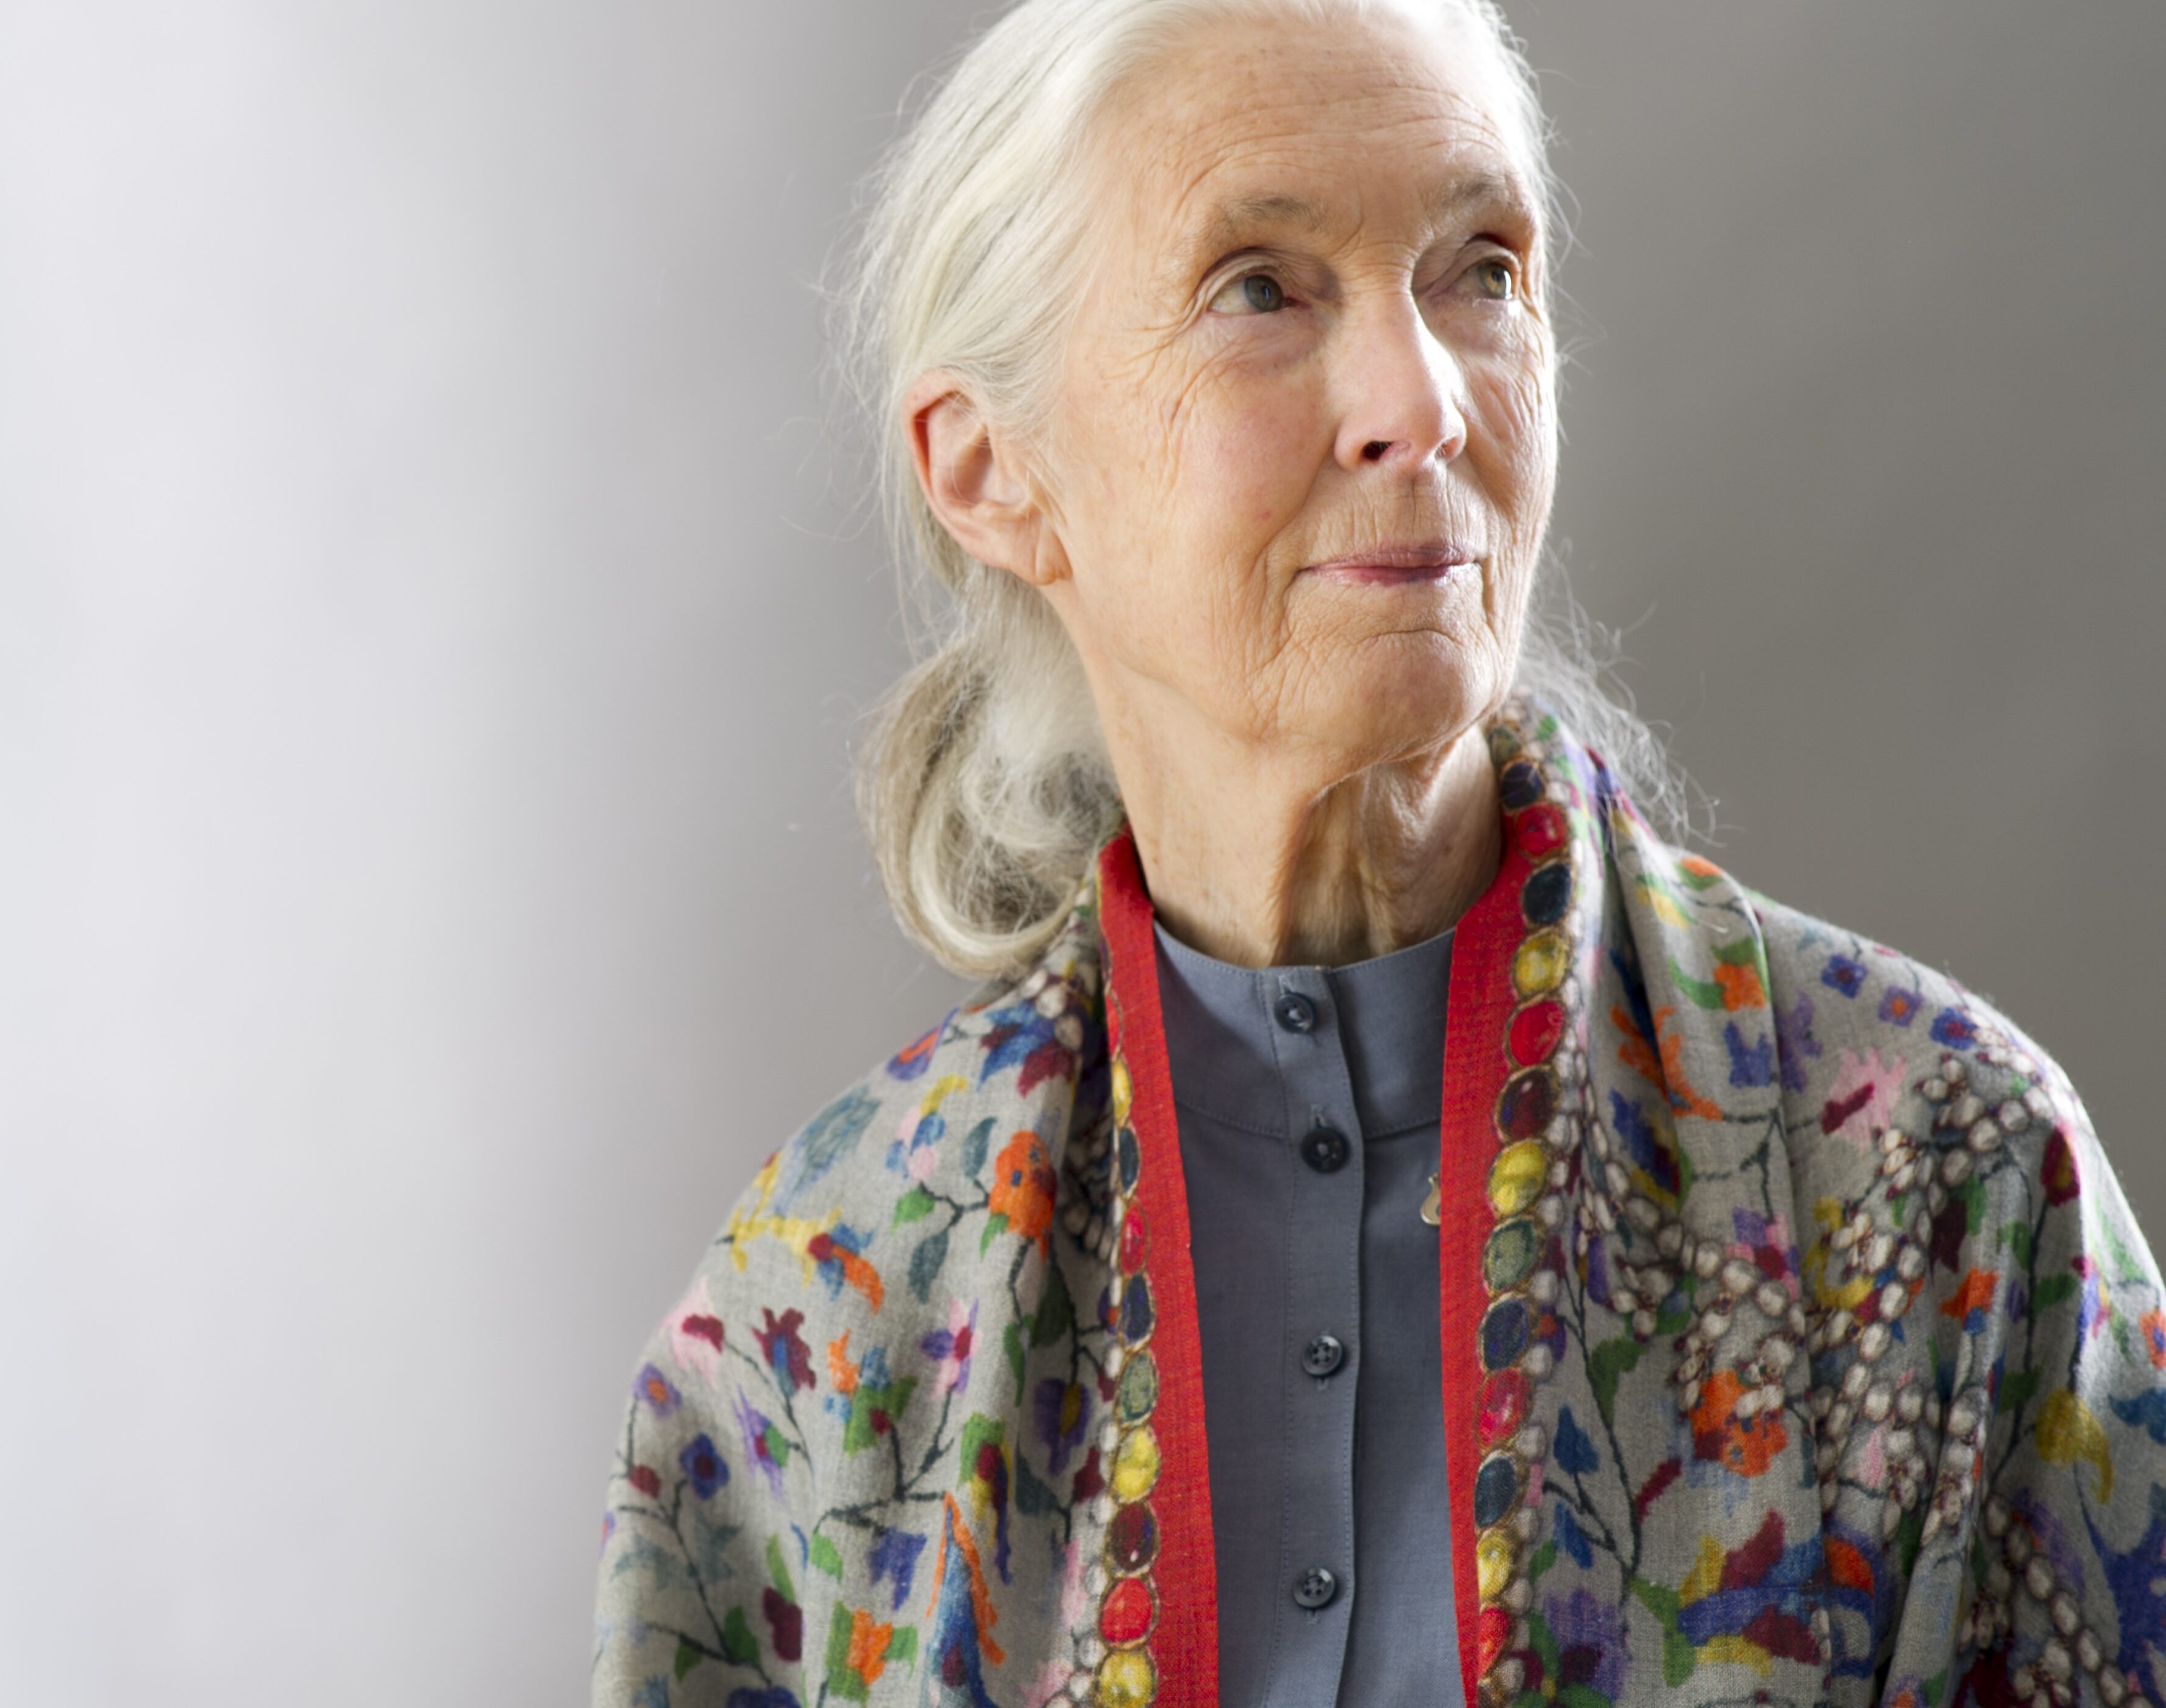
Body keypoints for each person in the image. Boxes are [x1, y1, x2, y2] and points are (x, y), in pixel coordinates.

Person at [586, 2, 2166, 1704]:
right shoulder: (817, 1323)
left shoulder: (1948, 1181)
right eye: (1260, 289)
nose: (1422, 401)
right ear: (992, 472)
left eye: (1482, 272)